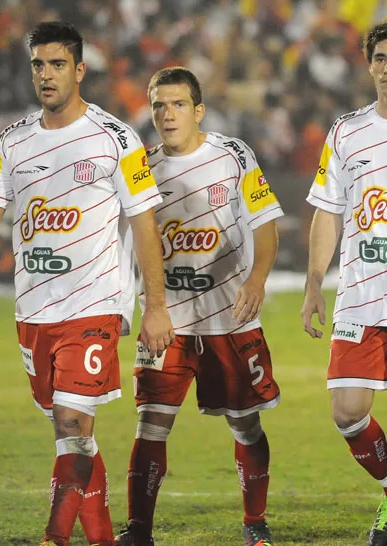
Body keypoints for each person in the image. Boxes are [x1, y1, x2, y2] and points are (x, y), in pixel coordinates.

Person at [0, 21, 173, 546]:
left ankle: (54, 538)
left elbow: (145, 222)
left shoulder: (116, 138)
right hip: (34, 310)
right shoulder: (13, 141)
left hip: (95, 304)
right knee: (73, 437)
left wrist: (155, 306)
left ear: (79, 70)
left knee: (72, 424)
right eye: (39, 64)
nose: (47, 74)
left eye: (58, 64)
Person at [113, 67, 283, 546]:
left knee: (246, 424)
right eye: (160, 105)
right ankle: (139, 531)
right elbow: (130, 242)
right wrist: (141, 307)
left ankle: (255, 523)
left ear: (199, 110)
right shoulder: (141, 167)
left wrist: (257, 280)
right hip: (167, 320)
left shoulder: (232, 155)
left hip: (229, 319)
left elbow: (266, 221)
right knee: (151, 423)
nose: (168, 115)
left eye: (179, 104)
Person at [301, 21, 387, 546]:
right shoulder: (346, 131)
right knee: (348, 411)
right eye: (380, 57)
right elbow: (328, 213)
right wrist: (315, 281)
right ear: (368, 64)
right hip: (358, 297)